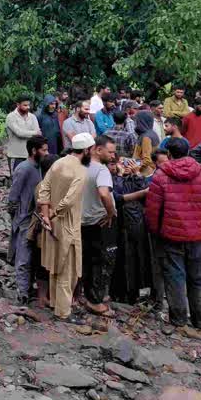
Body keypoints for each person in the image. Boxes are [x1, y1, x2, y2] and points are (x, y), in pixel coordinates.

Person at [145, 139, 201, 329]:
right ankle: (200, 320)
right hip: (197, 237)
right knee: (198, 278)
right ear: (189, 152)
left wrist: (155, 231)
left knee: (175, 277)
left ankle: (178, 320)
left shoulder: (161, 176)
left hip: (171, 235)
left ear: (169, 154)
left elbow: (153, 210)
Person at [36, 132, 94, 320]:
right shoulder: (80, 170)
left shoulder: (58, 163)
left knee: (55, 264)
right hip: (67, 222)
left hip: (52, 223)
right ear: (86, 150)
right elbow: (70, 200)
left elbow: (44, 188)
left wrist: (46, 215)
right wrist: (53, 213)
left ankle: (56, 303)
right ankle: (63, 311)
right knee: (67, 269)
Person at [79, 135, 118, 315]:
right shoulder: (101, 171)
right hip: (97, 221)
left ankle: (80, 295)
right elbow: (104, 193)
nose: (113, 156)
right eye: (110, 152)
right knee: (98, 261)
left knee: (84, 260)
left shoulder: (80, 165)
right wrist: (110, 212)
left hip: (80, 220)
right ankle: (94, 300)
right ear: (98, 149)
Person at [9, 136, 49, 304]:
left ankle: (29, 288)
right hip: (25, 219)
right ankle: (22, 293)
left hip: (36, 218)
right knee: (24, 257)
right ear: (34, 150)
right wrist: (16, 217)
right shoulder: (24, 168)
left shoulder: (40, 167)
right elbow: (13, 197)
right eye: (44, 150)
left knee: (34, 256)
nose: (47, 153)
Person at [110, 157, 153, 305]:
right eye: (122, 164)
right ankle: (121, 293)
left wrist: (138, 174)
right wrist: (120, 175)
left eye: (129, 164)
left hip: (136, 224)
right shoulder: (114, 179)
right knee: (121, 259)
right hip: (120, 224)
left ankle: (138, 293)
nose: (126, 166)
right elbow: (117, 196)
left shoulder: (137, 179)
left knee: (139, 259)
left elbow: (147, 194)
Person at [4, 95, 41, 176]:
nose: (28, 107)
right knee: (17, 179)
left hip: (30, 155)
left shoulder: (32, 117)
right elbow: (19, 133)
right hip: (16, 155)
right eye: (25, 105)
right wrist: (34, 132)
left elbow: (38, 135)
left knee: (32, 180)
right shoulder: (11, 117)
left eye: (29, 105)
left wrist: (32, 133)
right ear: (18, 105)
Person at [133, 111, 161, 175]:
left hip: (145, 172)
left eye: (136, 121)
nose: (135, 123)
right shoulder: (152, 133)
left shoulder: (146, 137)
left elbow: (147, 160)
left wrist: (135, 167)